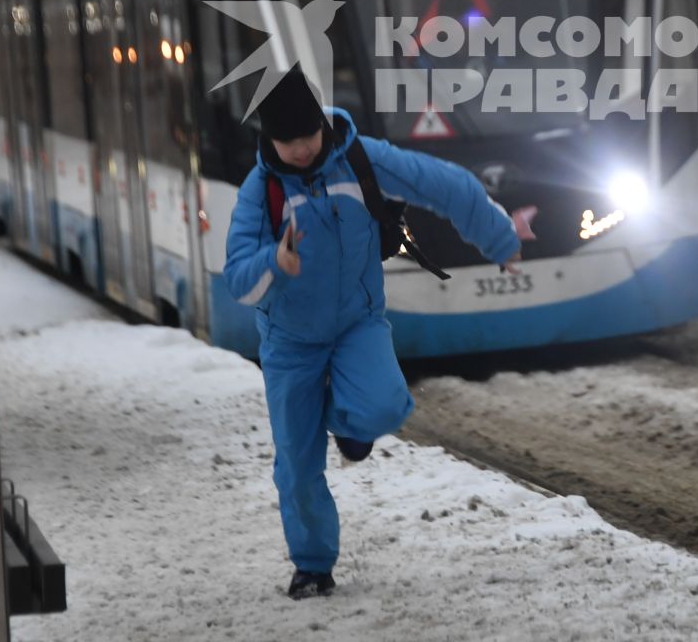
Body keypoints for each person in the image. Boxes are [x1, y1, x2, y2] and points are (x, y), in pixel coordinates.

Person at [221, 67, 534, 599]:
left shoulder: (359, 158)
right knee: (297, 466)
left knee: (386, 407)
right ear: (269, 140)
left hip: (355, 323)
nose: (300, 149)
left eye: (308, 135)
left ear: (322, 123)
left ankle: (345, 419)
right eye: (287, 140)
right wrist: (275, 260)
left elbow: (448, 185)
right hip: (290, 344)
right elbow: (237, 279)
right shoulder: (262, 192)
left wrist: (499, 238)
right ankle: (313, 565)